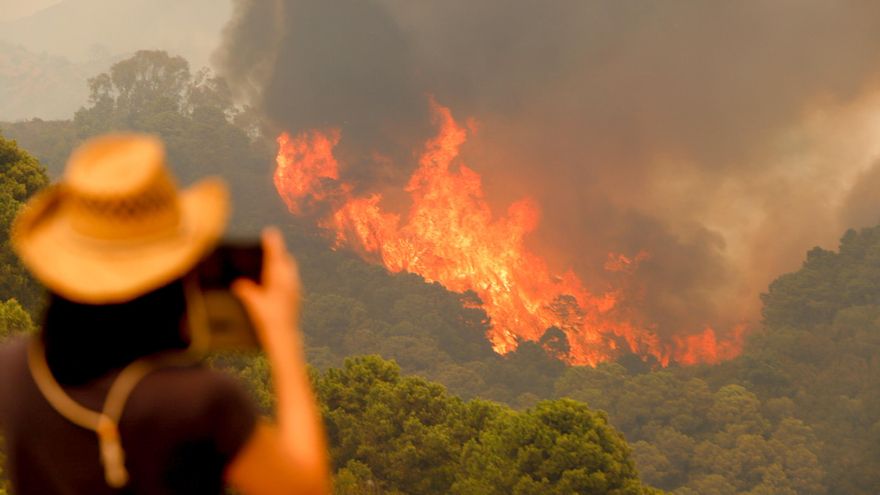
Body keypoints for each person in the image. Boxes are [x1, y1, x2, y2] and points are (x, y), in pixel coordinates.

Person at [0, 134, 330, 494]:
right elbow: (305, 488)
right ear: (177, 271)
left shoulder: (15, 369)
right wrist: (282, 334)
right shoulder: (199, 402)